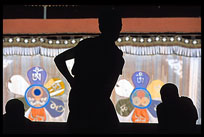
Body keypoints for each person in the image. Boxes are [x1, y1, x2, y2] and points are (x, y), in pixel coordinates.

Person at [54, 9, 124, 131]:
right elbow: (107, 89)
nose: (118, 29)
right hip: (98, 103)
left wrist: (71, 81)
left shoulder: (86, 45)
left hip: (79, 98)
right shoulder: (116, 55)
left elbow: (59, 59)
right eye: (116, 25)